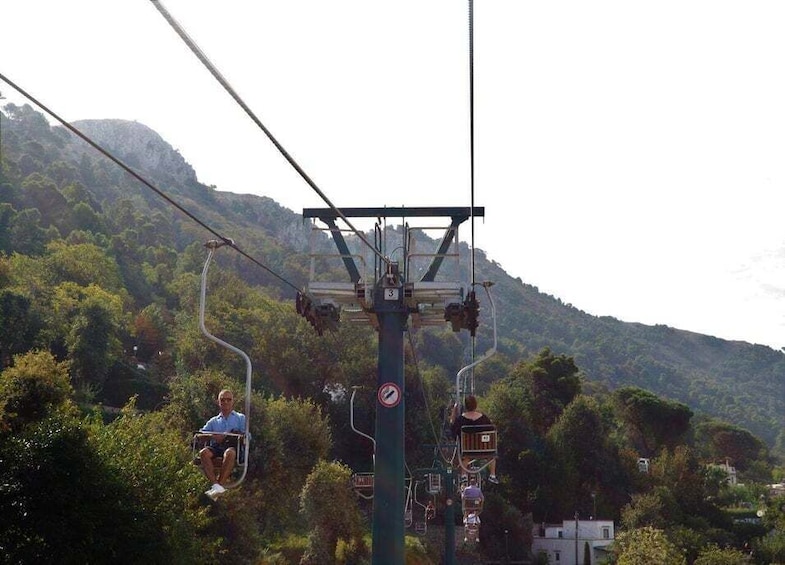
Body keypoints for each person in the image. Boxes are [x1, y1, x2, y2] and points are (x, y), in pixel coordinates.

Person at [199, 389, 246, 499]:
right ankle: (217, 486)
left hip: (232, 447)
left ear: (232, 401)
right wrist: (213, 436)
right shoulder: (213, 421)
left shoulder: (240, 418)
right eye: (222, 400)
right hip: (217, 447)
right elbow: (199, 435)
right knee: (203, 453)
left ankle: (217, 486)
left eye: (228, 400)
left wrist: (228, 435)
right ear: (218, 402)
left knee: (230, 452)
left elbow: (246, 435)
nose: (225, 402)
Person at [450, 395, 499, 484]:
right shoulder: (483, 418)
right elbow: (491, 429)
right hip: (485, 450)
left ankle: (463, 475)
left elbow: (453, 429)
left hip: (467, 450)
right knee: (492, 457)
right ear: (475, 405)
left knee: (465, 457)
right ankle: (492, 474)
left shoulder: (461, 419)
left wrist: (453, 412)